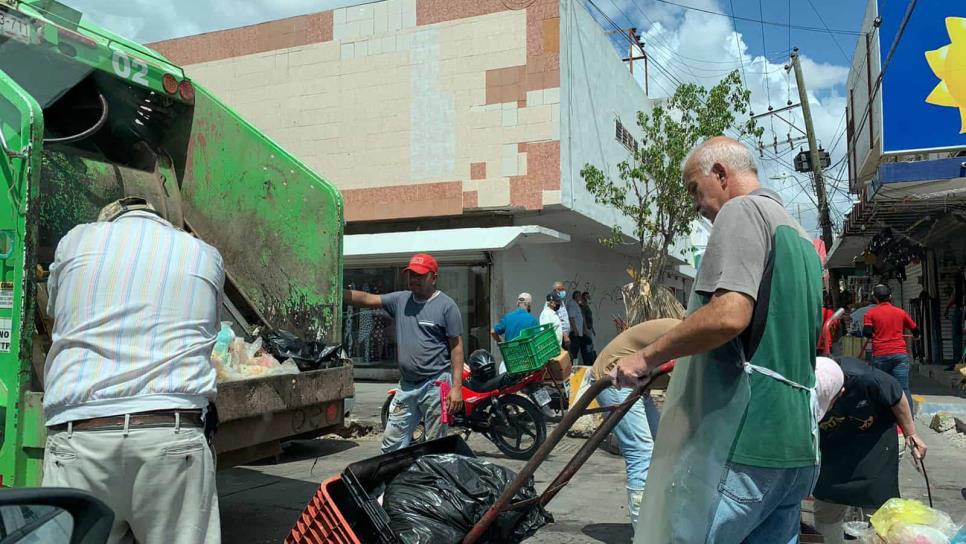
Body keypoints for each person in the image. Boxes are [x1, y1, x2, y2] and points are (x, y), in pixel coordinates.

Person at [614, 136, 825, 543]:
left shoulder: (742, 211)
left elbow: (729, 315)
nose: (696, 204)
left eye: (695, 188)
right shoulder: (800, 237)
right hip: (797, 447)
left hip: (746, 442)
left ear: (721, 174)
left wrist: (646, 358)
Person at [43, 197, 223, 544]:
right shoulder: (204, 253)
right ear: (161, 221)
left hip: (80, 434)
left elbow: (56, 308)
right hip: (170, 435)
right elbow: (209, 331)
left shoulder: (76, 240)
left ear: (107, 222)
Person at [344, 253, 464, 452]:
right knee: (392, 445)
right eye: (411, 275)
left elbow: (457, 348)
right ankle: (395, 480)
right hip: (406, 386)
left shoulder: (447, 306)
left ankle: (431, 481)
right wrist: (333, 293)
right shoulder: (401, 300)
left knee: (434, 445)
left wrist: (457, 388)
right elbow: (367, 299)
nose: (413, 279)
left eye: (419, 275)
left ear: (433, 278)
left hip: (435, 384)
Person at [812, 356, 927, 544]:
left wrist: (911, 433)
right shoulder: (804, 382)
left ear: (841, 391)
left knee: (879, 508)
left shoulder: (867, 379)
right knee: (826, 504)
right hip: (833, 447)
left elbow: (897, 397)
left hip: (874, 444)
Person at [591, 318, 681, 532]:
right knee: (642, 452)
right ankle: (644, 530)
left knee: (662, 449)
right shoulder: (690, 338)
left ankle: (658, 519)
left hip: (637, 386)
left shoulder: (696, 334)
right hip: (614, 379)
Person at [864, 284, 919, 408]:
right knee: (903, 388)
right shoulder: (900, 312)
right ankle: (908, 421)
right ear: (890, 297)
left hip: (880, 355)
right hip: (900, 355)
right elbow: (915, 329)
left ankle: (885, 420)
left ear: (875, 298)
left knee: (881, 388)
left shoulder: (870, 314)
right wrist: (916, 336)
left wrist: (877, 335)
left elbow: (867, 333)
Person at [945, 269, 965, 367]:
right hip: (961, 309)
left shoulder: (959, 279)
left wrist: (947, 308)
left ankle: (958, 363)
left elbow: (955, 295)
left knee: (957, 336)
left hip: (960, 310)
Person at [566, 290, 586, 362]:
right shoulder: (572, 304)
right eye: (579, 296)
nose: (581, 298)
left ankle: (574, 367)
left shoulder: (576, 304)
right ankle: (573, 369)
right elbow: (571, 317)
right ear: (576, 297)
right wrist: (575, 330)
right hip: (574, 333)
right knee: (574, 352)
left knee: (576, 352)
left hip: (577, 332)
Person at [551, 281, 571, 349]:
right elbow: (557, 321)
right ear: (555, 291)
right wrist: (565, 335)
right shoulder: (553, 303)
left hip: (564, 336)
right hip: (561, 337)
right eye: (560, 289)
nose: (563, 291)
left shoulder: (561, 301)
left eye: (563, 289)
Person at [579, 292, 597, 361]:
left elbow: (589, 318)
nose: (588, 298)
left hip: (589, 327)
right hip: (586, 329)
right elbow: (583, 318)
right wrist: (585, 328)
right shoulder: (582, 306)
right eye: (587, 297)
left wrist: (592, 329)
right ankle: (588, 360)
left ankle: (591, 359)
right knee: (588, 345)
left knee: (591, 345)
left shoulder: (586, 305)